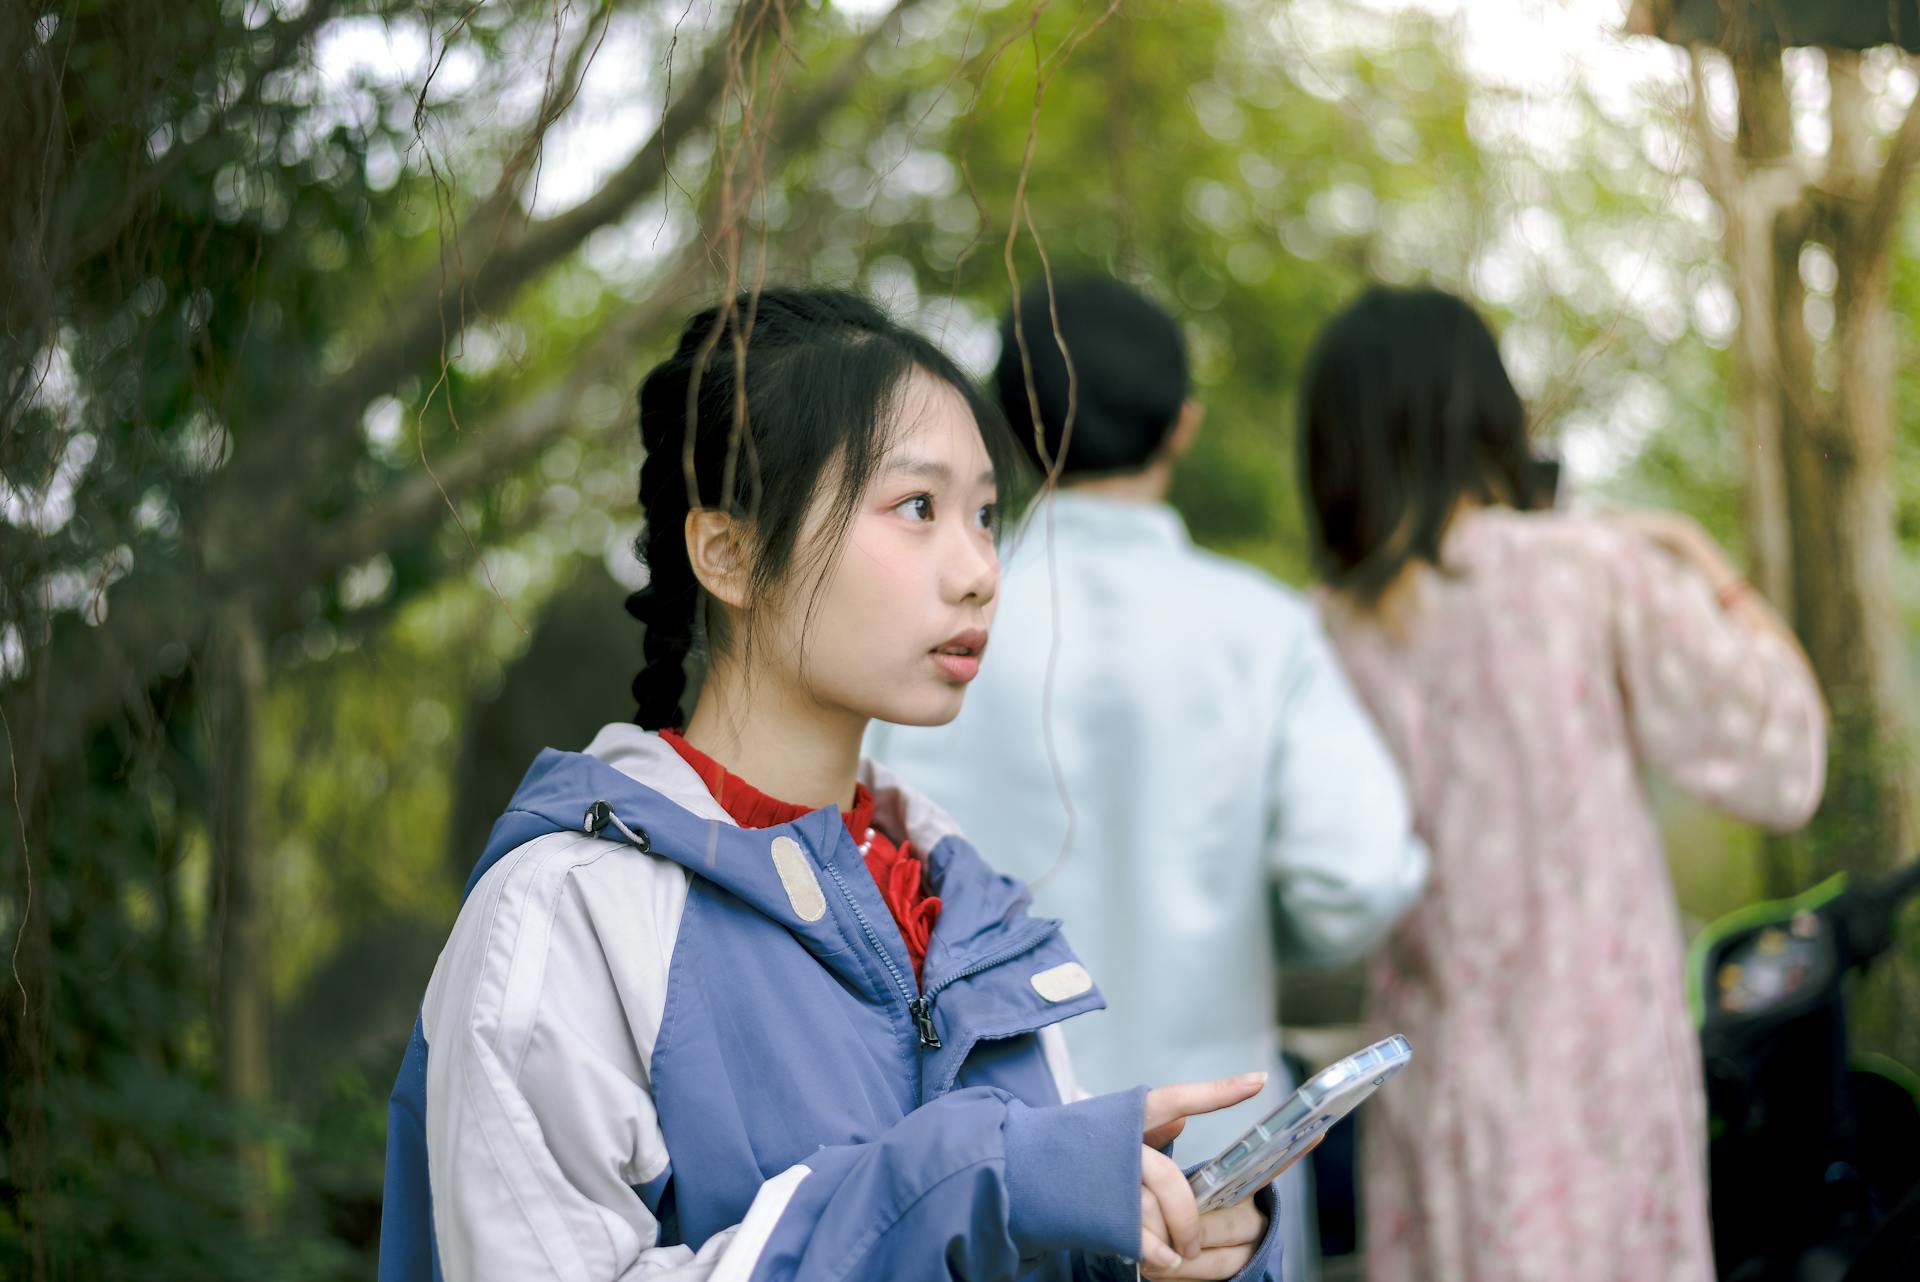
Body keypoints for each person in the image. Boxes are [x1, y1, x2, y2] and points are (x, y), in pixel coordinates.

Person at [377, 287, 1290, 1282]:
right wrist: (970, 1184)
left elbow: (998, 1229)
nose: (980, 567)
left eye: (986, 513)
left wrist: (1160, 1245)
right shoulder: (569, 912)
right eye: (916, 508)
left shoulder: (958, 908)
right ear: (729, 552)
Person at [867, 276, 1431, 1282]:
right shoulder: (1261, 628)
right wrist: (1243, 930)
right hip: (1220, 1186)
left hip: (993, 1175)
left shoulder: (926, 630)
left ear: (1011, 430)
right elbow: (1356, 876)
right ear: (1183, 425)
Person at [1297, 285, 1829, 1282]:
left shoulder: (1324, 625)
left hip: (1430, 1080)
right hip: (1597, 1071)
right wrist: (1712, 570)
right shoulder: (1589, 571)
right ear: (1485, 411)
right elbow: (1782, 763)